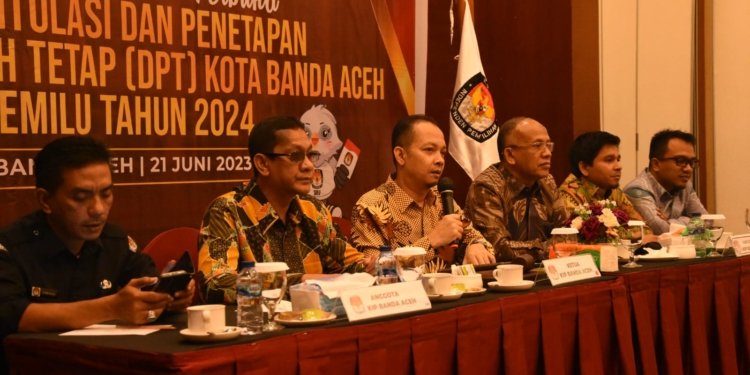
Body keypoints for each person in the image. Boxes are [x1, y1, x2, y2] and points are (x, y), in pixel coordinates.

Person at [0, 137, 193, 369]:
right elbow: (12, 315)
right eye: (81, 198)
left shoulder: (115, 241)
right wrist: (111, 307)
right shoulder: (12, 248)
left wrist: (167, 299)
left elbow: (146, 283)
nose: (98, 209)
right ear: (45, 200)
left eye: (106, 194)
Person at [197, 116, 368, 304]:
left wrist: (378, 266)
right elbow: (216, 284)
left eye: (310, 155)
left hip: (316, 323)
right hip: (259, 327)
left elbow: (352, 265)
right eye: (295, 156)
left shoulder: (312, 209)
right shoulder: (227, 211)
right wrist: (301, 282)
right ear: (262, 164)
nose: (309, 166)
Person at [350, 115, 495, 266]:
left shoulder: (441, 198)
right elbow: (371, 269)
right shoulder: (371, 207)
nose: (440, 160)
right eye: (429, 150)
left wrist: (476, 245)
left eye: (442, 152)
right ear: (401, 155)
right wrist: (431, 241)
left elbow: (480, 241)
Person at [464, 117, 568, 262]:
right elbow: (498, 249)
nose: (547, 153)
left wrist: (559, 246)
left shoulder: (547, 181)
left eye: (548, 145)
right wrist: (552, 248)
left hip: (545, 274)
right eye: (537, 145)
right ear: (510, 155)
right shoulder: (487, 187)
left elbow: (567, 234)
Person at [624, 129, 707, 234]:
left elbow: (707, 220)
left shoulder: (685, 185)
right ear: (656, 164)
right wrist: (690, 221)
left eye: (692, 162)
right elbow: (661, 230)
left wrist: (671, 222)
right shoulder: (637, 190)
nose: (688, 169)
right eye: (680, 161)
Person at [559, 131, 644, 222]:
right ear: (584, 167)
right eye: (609, 160)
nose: (619, 166)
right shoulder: (568, 196)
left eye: (618, 159)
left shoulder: (613, 190)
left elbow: (643, 227)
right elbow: (583, 235)